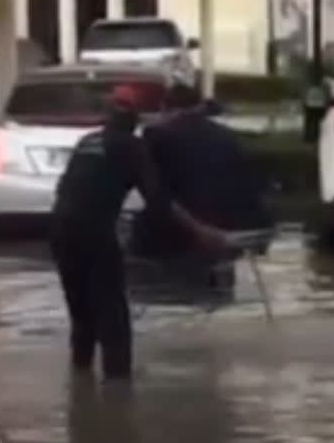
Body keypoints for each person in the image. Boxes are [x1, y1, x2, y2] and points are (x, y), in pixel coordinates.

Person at [50, 99, 225, 381]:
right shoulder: (131, 147)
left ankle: (80, 385)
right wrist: (201, 231)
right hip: (94, 231)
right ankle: (117, 391)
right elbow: (159, 201)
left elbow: (74, 187)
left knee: (82, 316)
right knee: (113, 318)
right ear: (133, 125)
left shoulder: (87, 141)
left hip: (59, 229)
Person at [130, 84, 273, 285]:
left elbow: (155, 193)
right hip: (226, 235)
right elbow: (253, 188)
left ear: (164, 108)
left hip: (174, 238)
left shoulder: (156, 135)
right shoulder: (228, 137)